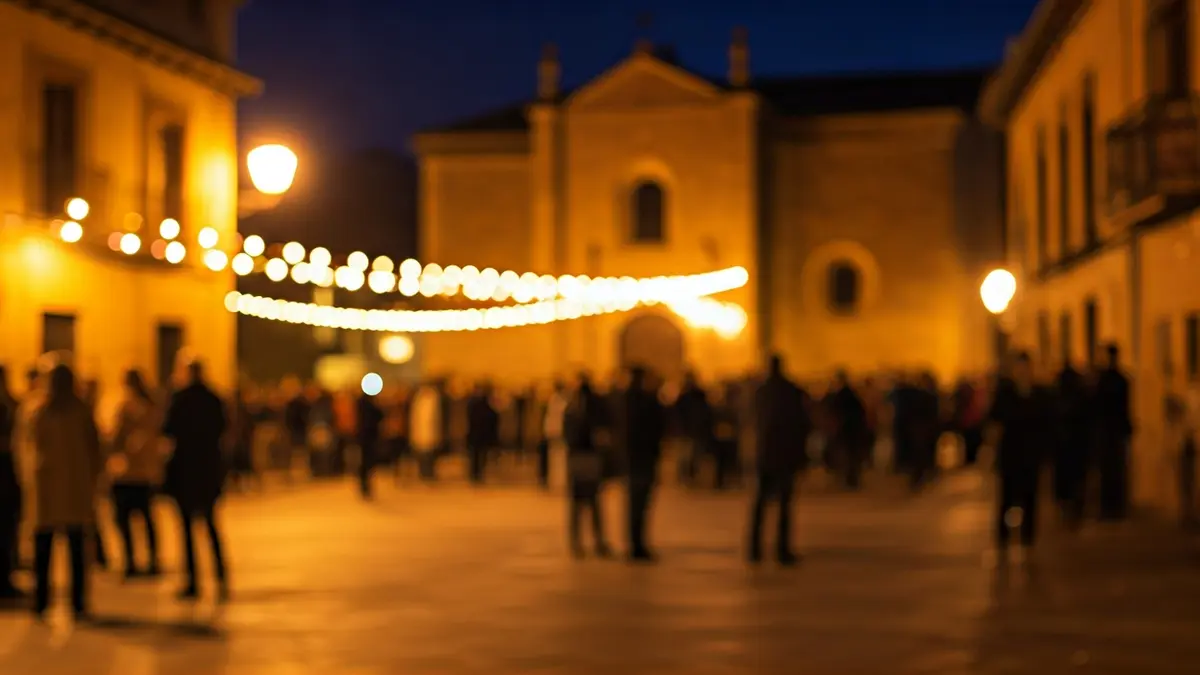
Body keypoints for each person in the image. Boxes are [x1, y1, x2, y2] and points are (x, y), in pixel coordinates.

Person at [27, 362, 103, 620]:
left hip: (56, 488)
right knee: (60, 546)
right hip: (63, 488)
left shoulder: (42, 410)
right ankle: (66, 602)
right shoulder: (43, 410)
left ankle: (51, 601)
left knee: (57, 546)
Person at [162, 360, 228, 601]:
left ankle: (192, 580)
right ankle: (220, 575)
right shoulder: (213, 398)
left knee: (188, 529)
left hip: (186, 471)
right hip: (208, 470)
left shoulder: (179, 399)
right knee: (211, 525)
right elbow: (223, 428)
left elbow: (167, 429)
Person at [986, 352, 1052, 559]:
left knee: (1030, 496)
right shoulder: (1006, 393)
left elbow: (1046, 423)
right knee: (1007, 497)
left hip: (1031, 453)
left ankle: (1027, 538)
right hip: (1011, 452)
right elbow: (995, 421)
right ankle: (1003, 538)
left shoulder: (1039, 394)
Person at [748, 354, 811, 565]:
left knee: (760, 503)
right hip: (785, 455)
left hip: (764, 454)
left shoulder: (760, 391)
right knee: (784, 504)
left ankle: (753, 548)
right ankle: (782, 550)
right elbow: (802, 425)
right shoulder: (791, 391)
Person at [109, 370, 165, 579]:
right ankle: (151, 559)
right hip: (144, 472)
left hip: (126, 471)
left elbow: (115, 438)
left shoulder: (124, 407)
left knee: (124, 519)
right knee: (146, 518)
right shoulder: (153, 407)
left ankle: (131, 560)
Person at [563, 376, 612, 558]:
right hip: (588, 458)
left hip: (578, 458)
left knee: (579, 504)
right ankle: (595, 541)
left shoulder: (571, 409)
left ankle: (577, 542)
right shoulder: (593, 411)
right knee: (591, 502)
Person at [620, 366, 665, 562]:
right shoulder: (644, 402)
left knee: (635, 504)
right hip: (642, 459)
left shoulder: (625, 401)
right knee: (639, 504)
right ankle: (636, 545)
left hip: (634, 459)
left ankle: (635, 543)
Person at [1094, 344, 1133, 520]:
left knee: (1115, 469)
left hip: (1113, 431)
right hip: (1108, 430)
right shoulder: (1108, 379)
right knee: (1109, 470)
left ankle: (1114, 506)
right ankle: (1109, 506)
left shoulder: (1114, 380)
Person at [0, 366, 22, 598]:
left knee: (7, 532)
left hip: (9, 481)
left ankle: (5, 575)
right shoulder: (11, 406)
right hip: (7, 479)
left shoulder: (13, 405)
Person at [409, 380, 444, 481]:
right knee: (423, 453)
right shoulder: (419, 399)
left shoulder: (434, 398)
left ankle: (429, 472)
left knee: (430, 453)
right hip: (422, 431)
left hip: (431, 430)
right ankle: (424, 472)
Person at [465, 382, 498, 485]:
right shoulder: (475, 403)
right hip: (477, 434)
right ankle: (475, 475)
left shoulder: (480, 403)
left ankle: (477, 475)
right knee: (475, 457)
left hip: (481, 434)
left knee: (480, 456)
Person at [355, 386, 384, 500]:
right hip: (369, 437)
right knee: (368, 462)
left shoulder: (360, 403)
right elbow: (379, 416)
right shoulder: (370, 404)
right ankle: (365, 486)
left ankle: (364, 486)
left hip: (364, 437)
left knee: (364, 462)